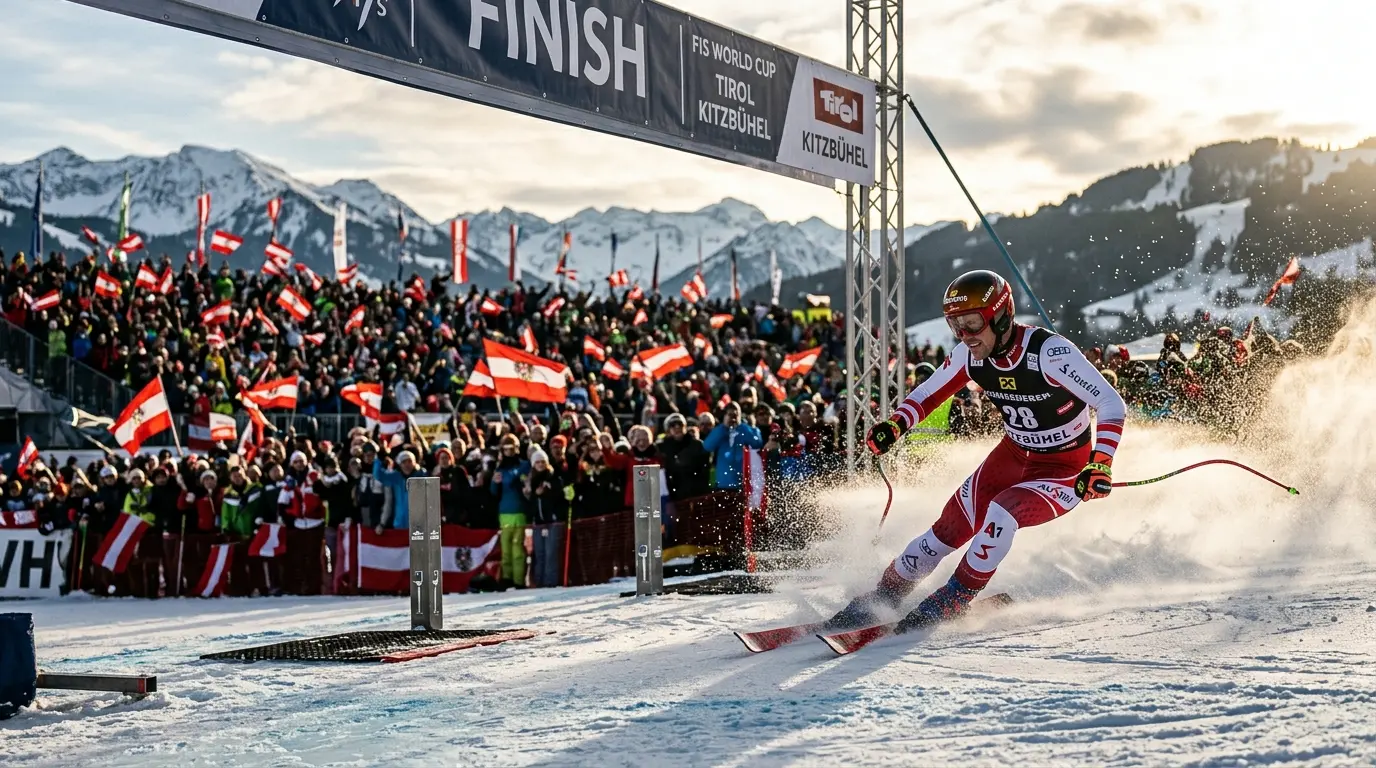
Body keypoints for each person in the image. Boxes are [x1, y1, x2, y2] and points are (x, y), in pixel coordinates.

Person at [832, 270, 1126, 631]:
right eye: (956, 326)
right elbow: (928, 393)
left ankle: (955, 596)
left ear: (1001, 317)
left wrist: (1101, 464)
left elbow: (1112, 404)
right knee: (945, 531)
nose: (965, 336)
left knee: (1003, 513)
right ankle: (885, 594)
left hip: (1063, 470)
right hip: (1013, 457)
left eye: (973, 324)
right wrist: (897, 424)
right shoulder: (970, 355)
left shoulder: (1050, 353)